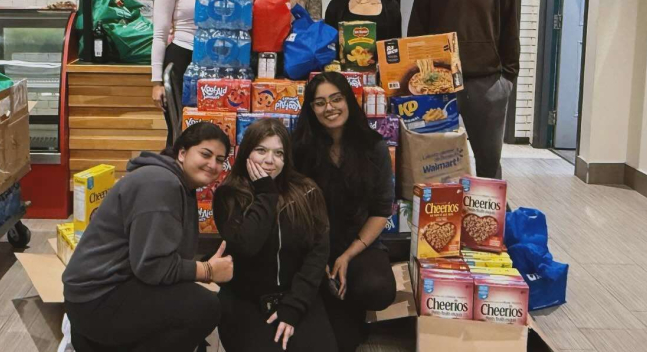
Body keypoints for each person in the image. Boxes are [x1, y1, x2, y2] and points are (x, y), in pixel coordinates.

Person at [62, 123, 234, 352]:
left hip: (107, 290)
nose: (213, 165)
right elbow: (152, 267)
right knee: (205, 306)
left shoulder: (178, 183)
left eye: (220, 160)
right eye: (206, 154)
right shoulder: (161, 184)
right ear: (182, 153)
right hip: (95, 301)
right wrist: (207, 271)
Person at [407, 0, 520, 180]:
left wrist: (508, 77)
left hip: (488, 83)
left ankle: (488, 219)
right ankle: (441, 215)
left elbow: (510, 28)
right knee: (435, 160)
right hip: (439, 84)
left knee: (489, 162)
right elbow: (417, 32)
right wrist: (416, 77)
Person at [292, 72, 397, 352]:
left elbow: (381, 209)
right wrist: (316, 255)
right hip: (311, 244)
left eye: (336, 99)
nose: (330, 108)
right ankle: (326, 299)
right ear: (311, 109)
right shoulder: (299, 149)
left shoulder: (374, 146)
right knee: (336, 343)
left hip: (358, 243)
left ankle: (345, 297)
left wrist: (348, 256)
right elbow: (291, 208)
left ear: (349, 100)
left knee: (377, 288)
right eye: (320, 102)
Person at [213, 118, 338, 352]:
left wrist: (295, 306)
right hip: (246, 299)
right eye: (261, 150)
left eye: (278, 153)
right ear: (246, 153)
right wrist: (266, 194)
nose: (270, 160)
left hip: (297, 295)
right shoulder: (228, 195)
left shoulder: (307, 190)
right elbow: (247, 245)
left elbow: (317, 253)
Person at [151, 0, 239, 145]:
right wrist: (156, 82)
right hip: (180, 56)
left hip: (213, 61)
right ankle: (175, 175)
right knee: (178, 127)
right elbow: (160, 35)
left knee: (208, 124)